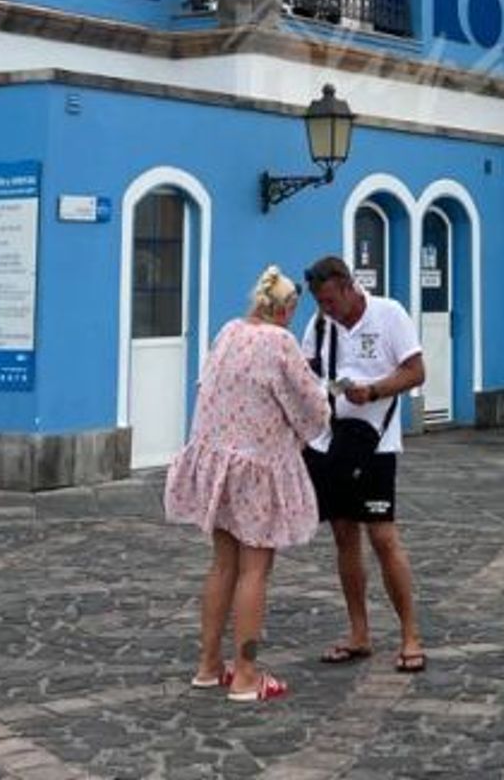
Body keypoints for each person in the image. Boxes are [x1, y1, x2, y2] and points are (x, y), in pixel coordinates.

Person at [163, 264, 329, 703]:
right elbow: (311, 405)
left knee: (222, 565)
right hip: (257, 468)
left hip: (217, 463)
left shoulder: (229, 331)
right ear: (287, 308)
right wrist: (315, 421)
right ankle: (247, 674)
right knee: (255, 570)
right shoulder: (281, 342)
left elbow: (208, 385)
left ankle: (208, 664)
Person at [300, 254, 428, 674]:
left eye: (331, 300)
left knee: (383, 537)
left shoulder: (389, 314)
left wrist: (373, 392)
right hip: (331, 442)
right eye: (320, 302)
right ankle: (359, 632)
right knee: (343, 534)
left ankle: (411, 634)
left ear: (349, 286)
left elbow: (415, 372)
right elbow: (307, 372)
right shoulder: (319, 326)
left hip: (375, 444)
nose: (326, 309)